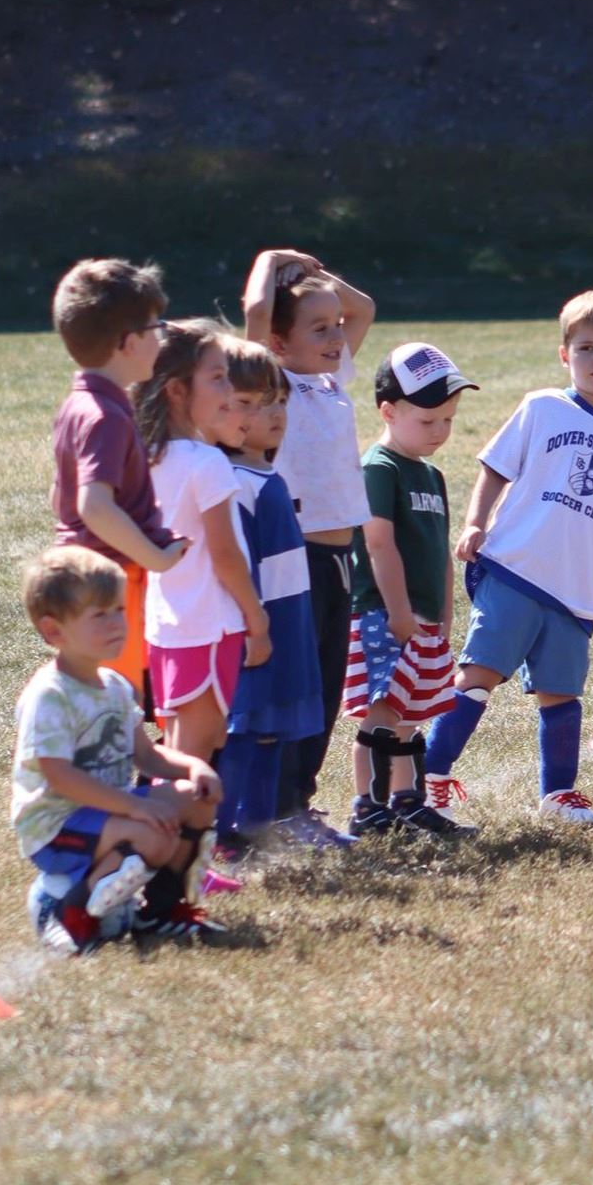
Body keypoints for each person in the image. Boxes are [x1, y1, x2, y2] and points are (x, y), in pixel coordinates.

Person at [423, 291, 593, 825]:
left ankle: (559, 793)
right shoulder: (542, 407)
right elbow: (495, 468)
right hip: (513, 569)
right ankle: (429, 777)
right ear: (564, 354)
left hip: (573, 592)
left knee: (561, 692)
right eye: (586, 348)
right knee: (479, 675)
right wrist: (476, 522)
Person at [13, 546, 224, 952]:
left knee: (195, 803)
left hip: (108, 810)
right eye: (99, 615)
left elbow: (145, 756)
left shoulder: (114, 686)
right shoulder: (51, 694)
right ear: (54, 631)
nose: (116, 623)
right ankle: (69, 913)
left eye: (119, 610)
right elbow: (59, 775)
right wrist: (135, 808)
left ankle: (160, 910)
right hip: (57, 824)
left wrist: (193, 770)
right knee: (152, 834)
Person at [243, 248, 378, 845]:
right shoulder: (274, 386)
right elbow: (253, 312)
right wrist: (272, 263)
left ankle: (300, 804)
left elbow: (364, 307)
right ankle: (277, 807)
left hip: (338, 558)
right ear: (277, 343)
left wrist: (319, 280)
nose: (336, 336)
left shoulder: (331, 381)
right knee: (295, 685)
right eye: (319, 329)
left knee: (325, 686)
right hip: (295, 559)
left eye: (335, 329)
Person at [343, 342, 479, 844]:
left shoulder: (431, 474)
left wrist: (443, 616)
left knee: (411, 715)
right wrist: (398, 611)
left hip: (421, 618)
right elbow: (378, 542)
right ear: (388, 411)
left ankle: (408, 804)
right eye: (428, 422)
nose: (440, 432)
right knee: (382, 712)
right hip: (383, 614)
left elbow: (438, 552)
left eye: (448, 420)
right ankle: (368, 808)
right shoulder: (380, 467)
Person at [48, 257, 186, 705]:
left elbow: (60, 493)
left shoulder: (78, 404)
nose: (161, 338)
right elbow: (94, 506)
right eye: (155, 327)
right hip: (112, 581)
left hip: (90, 579)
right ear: (129, 343)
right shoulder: (106, 416)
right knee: (113, 708)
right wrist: (156, 558)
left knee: (100, 705)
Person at [135, 320, 270, 778]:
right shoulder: (207, 462)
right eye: (217, 377)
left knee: (182, 748)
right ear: (176, 391)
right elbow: (226, 554)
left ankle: (168, 845)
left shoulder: (147, 457)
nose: (229, 390)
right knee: (196, 758)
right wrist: (255, 616)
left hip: (167, 626)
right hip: (210, 627)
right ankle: (167, 846)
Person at [214, 341, 324, 861]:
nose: (274, 413)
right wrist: (252, 622)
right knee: (244, 728)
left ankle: (259, 830)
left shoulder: (266, 473)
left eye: (278, 400)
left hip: (290, 618)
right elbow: (232, 559)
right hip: (258, 622)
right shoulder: (233, 481)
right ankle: (224, 830)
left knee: (269, 732)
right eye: (255, 403)